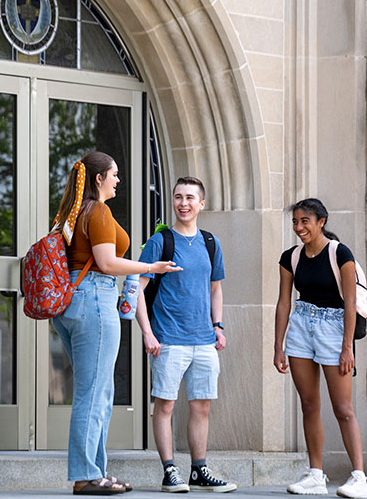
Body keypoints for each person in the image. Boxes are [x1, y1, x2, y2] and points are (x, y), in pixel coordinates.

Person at [52, 151, 181, 496]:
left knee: (98, 392)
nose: (118, 180)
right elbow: (108, 264)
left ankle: (96, 472)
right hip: (94, 300)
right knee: (93, 394)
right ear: (99, 179)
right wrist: (151, 268)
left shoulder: (71, 212)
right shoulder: (97, 211)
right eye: (114, 174)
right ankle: (86, 476)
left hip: (73, 304)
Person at [136, 177, 237, 494]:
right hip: (168, 339)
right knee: (164, 406)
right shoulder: (160, 241)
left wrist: (217, 326)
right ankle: (169, 472)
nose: (183, 203)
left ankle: (198, 470)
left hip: (204, 340)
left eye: (190, 197)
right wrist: (147, 332)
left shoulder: (210, 243)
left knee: (201, 407)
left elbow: (215, 289)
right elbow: (136, 288)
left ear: (201, 203)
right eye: (178, 197)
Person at [273, 198, 367, 499]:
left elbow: (351, 304)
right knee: (308, 404)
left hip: (334, 327)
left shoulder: (340, 253)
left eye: (305, 221)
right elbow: (284, 302)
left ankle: (358, 478)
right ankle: (315, 475)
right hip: (301, 326)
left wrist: (347, 348)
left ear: (321, 222)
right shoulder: (290, 257)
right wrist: (278, 346)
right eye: (295, 222)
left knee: (343, 409)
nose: (299, 227)